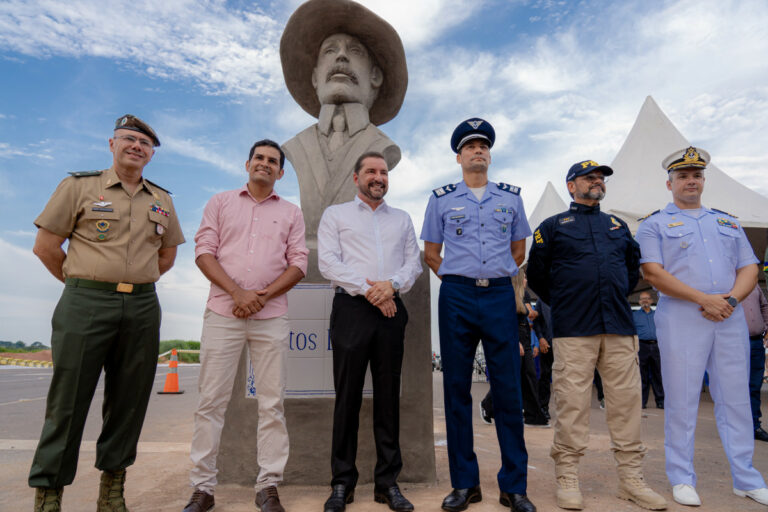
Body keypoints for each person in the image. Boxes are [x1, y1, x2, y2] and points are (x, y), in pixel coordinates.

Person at [29, 115, 185, 512]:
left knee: (129, 401)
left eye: (144, 144)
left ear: (151, 154)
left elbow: (166, 255)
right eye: (129, 139)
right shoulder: (78, 187)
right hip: (85, 302)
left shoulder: (161, 200)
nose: (137, 147)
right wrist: (83, 285)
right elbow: (46, 246)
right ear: (111, 144)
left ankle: (112, 492)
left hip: (142, 305)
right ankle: (49, 494)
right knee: (68, 402)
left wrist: (133, 281)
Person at [527, 160, 666, 511]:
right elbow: (539, 278)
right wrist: (569, 299)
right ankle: (568, 475)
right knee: (573, 403)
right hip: (574, 329)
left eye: (601, 178)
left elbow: (633, 272)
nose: (597, 182)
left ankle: (631, 479)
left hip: (619, 327)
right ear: (571, 185)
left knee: (626, 404)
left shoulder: (618, 227)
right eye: (590, 177)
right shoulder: (552, 226)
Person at [636, 146, 768, 507]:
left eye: (696, 175)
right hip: (682, 315)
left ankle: (746, 477)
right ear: (669, 183)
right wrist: (703, 299)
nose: (690, 181)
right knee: (681, 398)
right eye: (682, 176)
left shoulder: (728, 222)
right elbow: (653, 273)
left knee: (736, 398)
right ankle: (681, 476)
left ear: (704, 180)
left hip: (728, 314)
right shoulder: (653, 224)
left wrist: (730, 301)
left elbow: (749, 269)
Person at [182, 140, 308, 512]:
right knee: (211, 403)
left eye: (273, 161)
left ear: (281, 172)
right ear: (247, 164)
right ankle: (202, 488)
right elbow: (204, 251)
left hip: (270, 317)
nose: (265, 164)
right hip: (224, 313)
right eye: (260, 158)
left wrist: (261, 296)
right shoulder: (220, 203)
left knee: (272, 404)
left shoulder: (291, 213)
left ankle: (268, 485)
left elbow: (298, 262)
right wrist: (237, 293)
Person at [421, 118, 536, 512]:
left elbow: (518, 251)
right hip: (456, 295)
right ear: (459, 156)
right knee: (456, 389)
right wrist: (460, 279)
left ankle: (514, 486)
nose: (478, 151)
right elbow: (431, 253)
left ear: (490, 154)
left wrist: (490, 276)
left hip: (500, 295)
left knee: (507, 388)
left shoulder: (511, 199)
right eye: (470, 146)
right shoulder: (440, 199)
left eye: (483, 145)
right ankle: (465, 484)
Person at [317, 151, 422, 512]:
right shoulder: (336, 215)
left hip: (392, 310)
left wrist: (390, 286)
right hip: (352, 310)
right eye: (372, 171)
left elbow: (414, 265)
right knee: (347, 396)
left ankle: (387, 483)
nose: (379, 177)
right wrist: (372, 292)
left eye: (384, 172)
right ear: (356, 177)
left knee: (388, 397)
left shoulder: (402, 219)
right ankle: (342, 483)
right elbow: (328, 262)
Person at [280, 0, 407, 240]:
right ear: (315, 77)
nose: (341, 56)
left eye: (355, 51)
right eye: (329, 50)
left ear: (375, 76)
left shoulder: (382, 146)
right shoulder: (298, 145)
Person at [480, 276, 549, 427]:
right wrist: (514, 341)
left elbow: (530, 313)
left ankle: (533, 416)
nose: (526, 280)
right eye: (523, 277)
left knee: (529, 375)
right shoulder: (509, 294)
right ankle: (487, 405)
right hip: (515, 334)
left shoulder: (525, 294)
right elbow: (515, 316)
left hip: (525, 336)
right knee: (510, 377)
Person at [741, 284, 768, 442]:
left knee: (754, 386)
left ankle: (754, 426)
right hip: (735, 343)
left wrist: (766, 327)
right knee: (736, 387)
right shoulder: (726, 282)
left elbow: (764, 306)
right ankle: (737, 427)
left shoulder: (754, 286)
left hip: (756, 342)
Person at [632, 291, 664, 409]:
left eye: (647, 298)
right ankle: (642, 402)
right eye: (642, 299)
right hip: (642, 347)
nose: (644, 300)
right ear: (639, 302)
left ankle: (660, 401)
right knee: (642, 376)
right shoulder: (634, 315)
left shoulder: (657, 314)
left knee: (658, 375)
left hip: (656, 347)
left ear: (651, 300)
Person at [532, 299, 554, 420]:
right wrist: (540, 338)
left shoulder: (567, 294)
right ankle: (543, 408)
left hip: (565, 344)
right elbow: (537, 322)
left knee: (567, 378)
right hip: (547, 344)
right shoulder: (542, 300)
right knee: (545, 376)